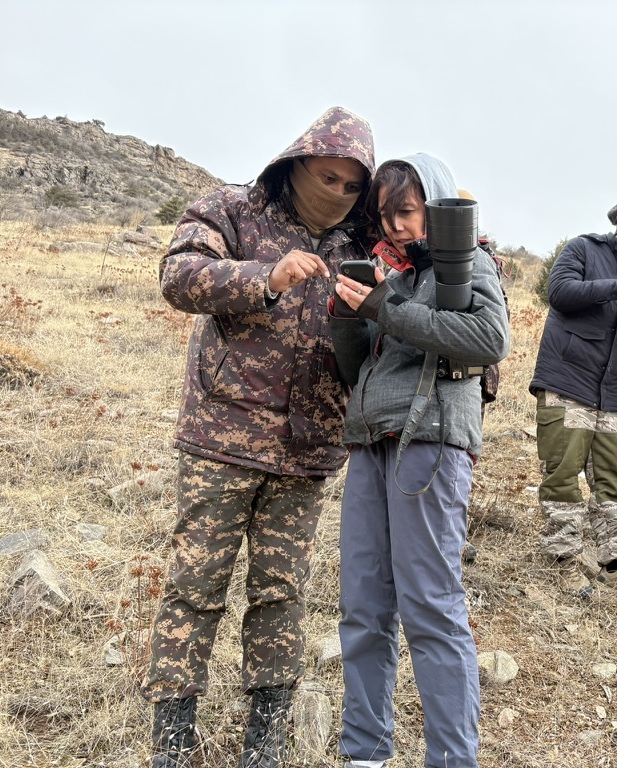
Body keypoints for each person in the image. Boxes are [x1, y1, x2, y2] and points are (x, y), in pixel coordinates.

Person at [143, 107, 375, 768]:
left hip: (306, 454)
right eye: (326, 177)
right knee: (195, 586)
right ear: (295, 164)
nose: (338, 193)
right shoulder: (232, 211)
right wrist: (264, 281)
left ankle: (266, 740)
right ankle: (172, 740)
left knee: (280, 593)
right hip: (221, 440)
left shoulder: (362, 243)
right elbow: (178, 276)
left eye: (351, 185)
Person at [328, 153, 509, 768]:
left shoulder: (471, 262)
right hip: (372, 442)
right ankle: (365, 756)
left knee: (430, 607)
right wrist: (350, 321)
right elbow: (363, 372)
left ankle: (453, 761)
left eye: (406, 212)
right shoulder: (391, 274)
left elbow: (491, 339)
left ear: (434, 209)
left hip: (429, 442)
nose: (396, 226)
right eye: (387, 215)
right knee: (363, 606)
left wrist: (387, 308)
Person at [529, 200, 617, 609]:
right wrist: (614, 287)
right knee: (563, 473)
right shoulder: (582, 249)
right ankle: (563, 558)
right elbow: (559, 293)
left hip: (611, 393)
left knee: (614, 478)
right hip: (566, 381)